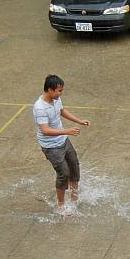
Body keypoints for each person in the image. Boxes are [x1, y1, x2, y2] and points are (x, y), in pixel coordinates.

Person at [33, 74, 90, 211]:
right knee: (63, 173)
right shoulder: (40, 107)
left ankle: (74, 199)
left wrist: (78, 120)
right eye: (59, 90)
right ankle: (61, 205)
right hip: (51, 146)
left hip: (63, 140)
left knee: (74, 166)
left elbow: (62, 111)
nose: (61, 93)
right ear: (50, 90)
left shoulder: (56, 99)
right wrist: (67, 131)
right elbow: (45, 130)